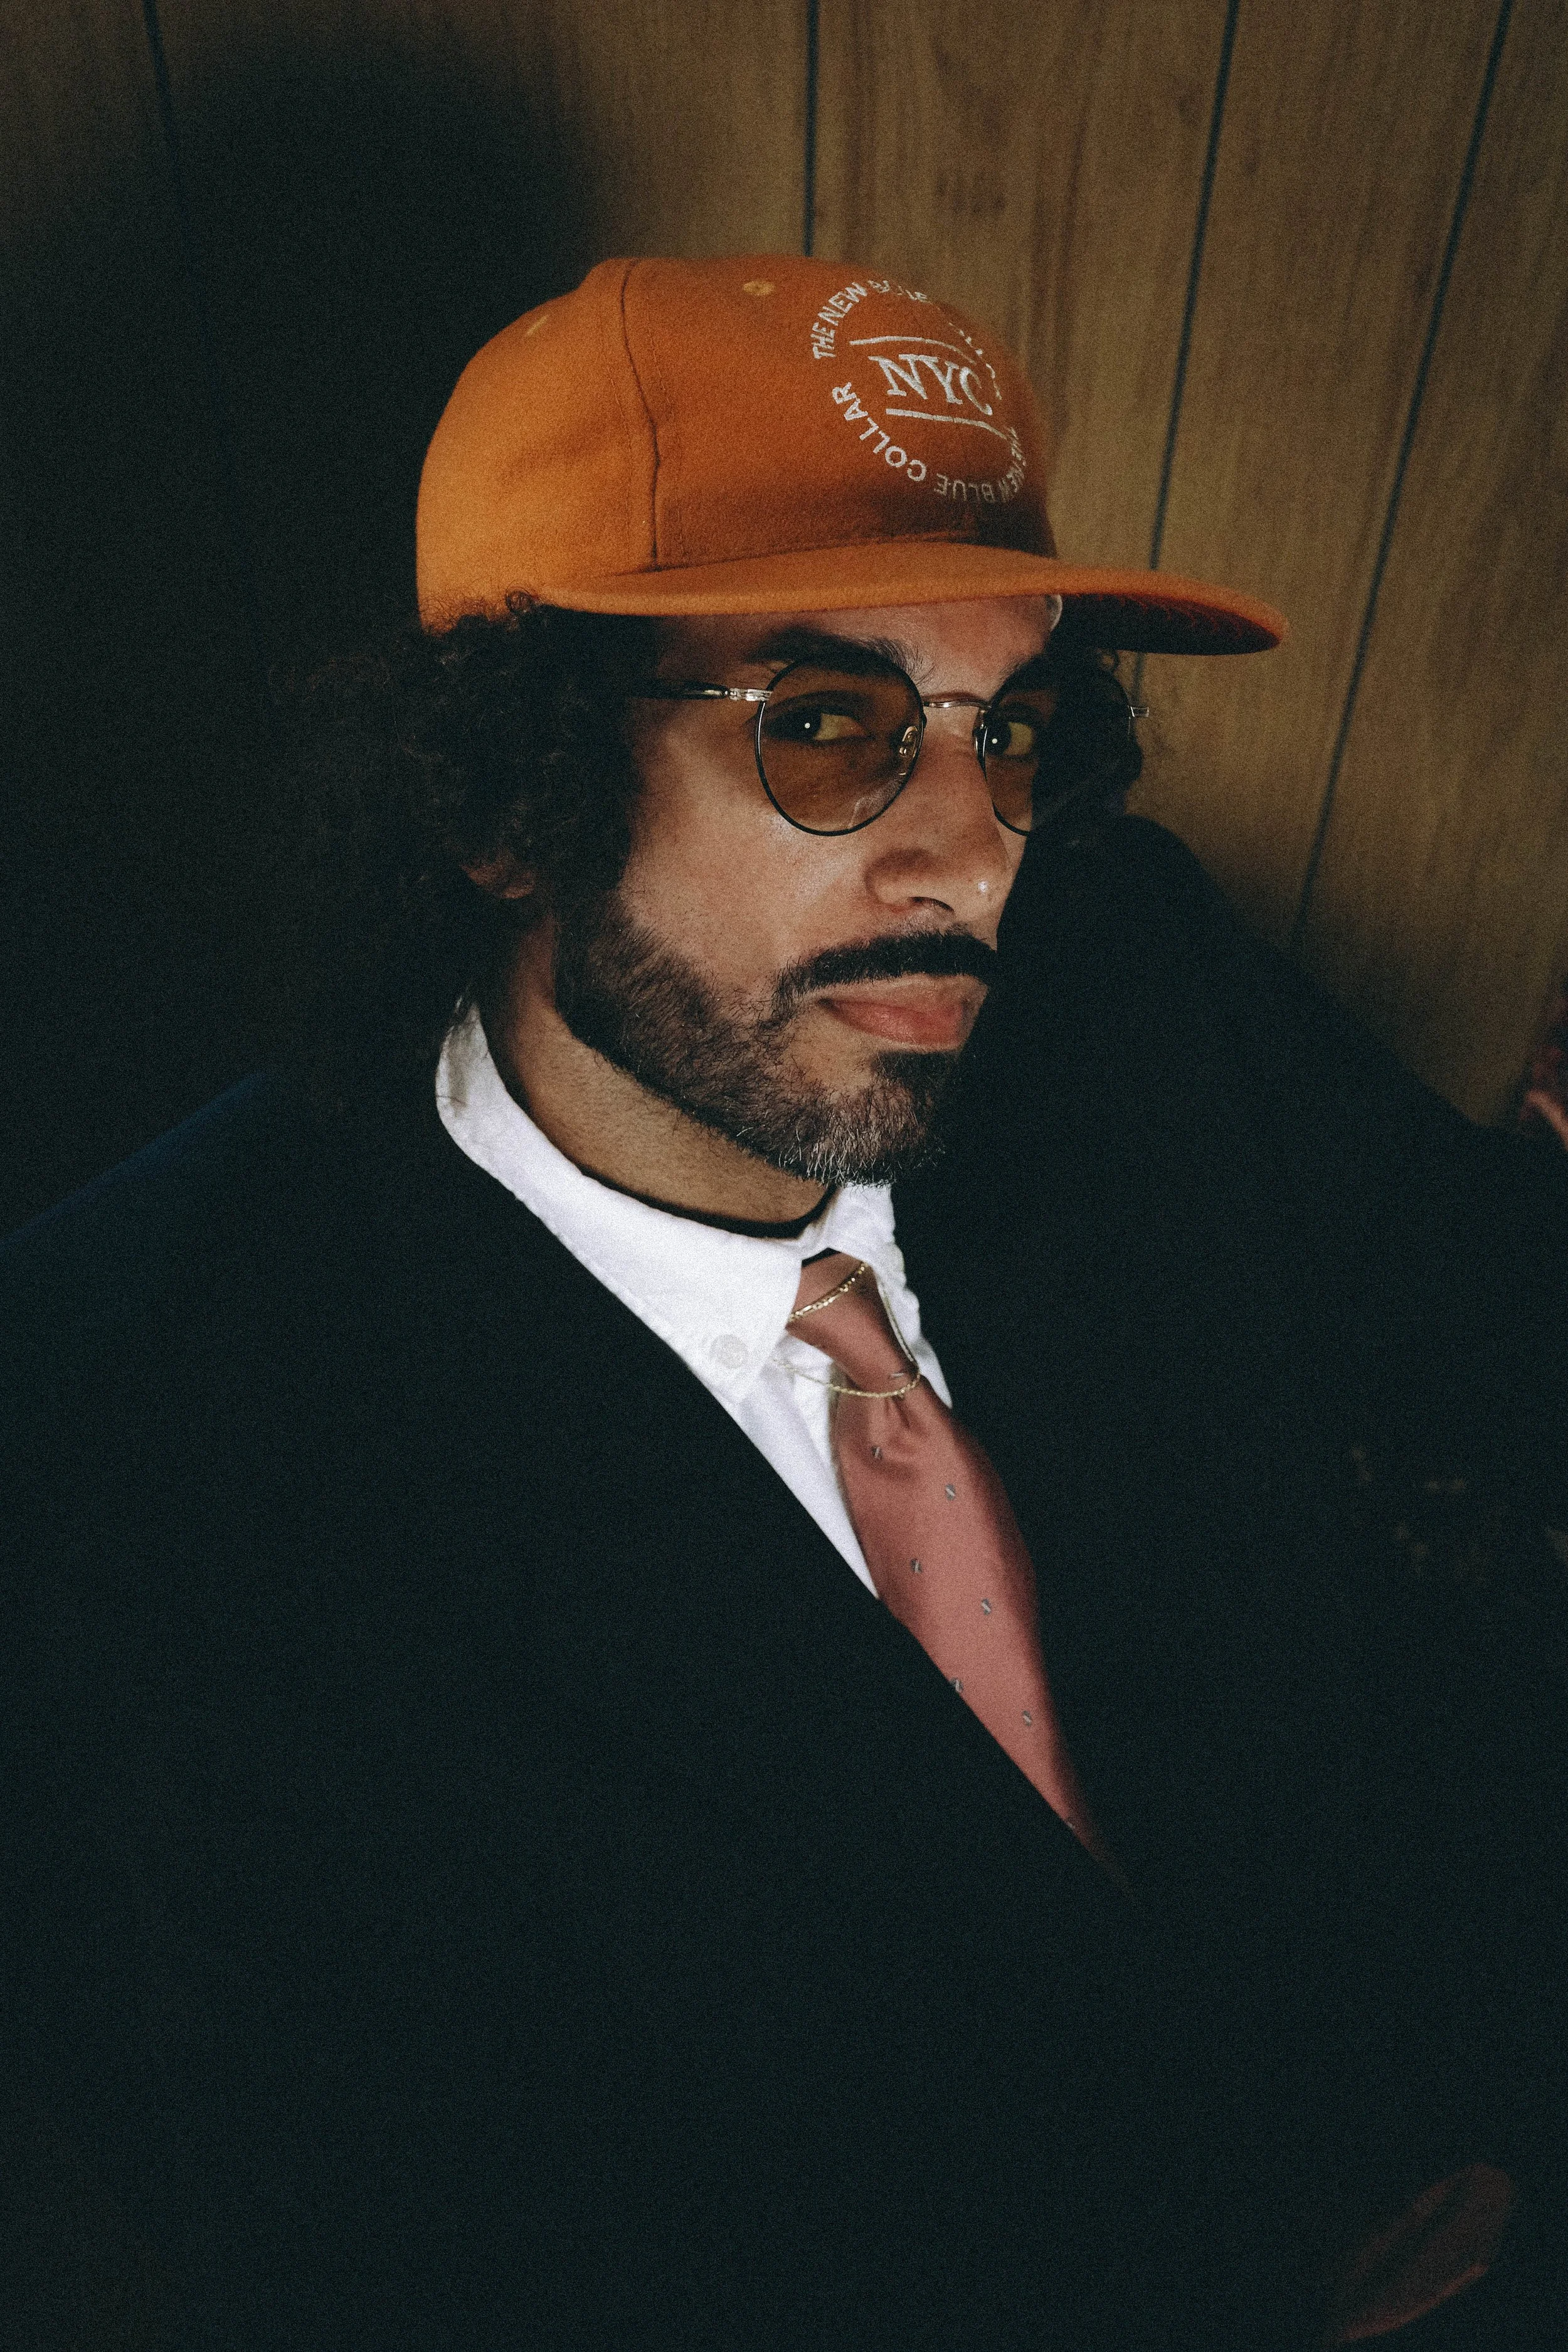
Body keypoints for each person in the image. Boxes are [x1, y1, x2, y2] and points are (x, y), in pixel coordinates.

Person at [3, 255, 1564, 2351]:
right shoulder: (131, 1418)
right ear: (502, 794)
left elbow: (1481, 1330)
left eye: (1008, 731)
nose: (968, 855)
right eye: (820, 724)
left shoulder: (1125, 971)